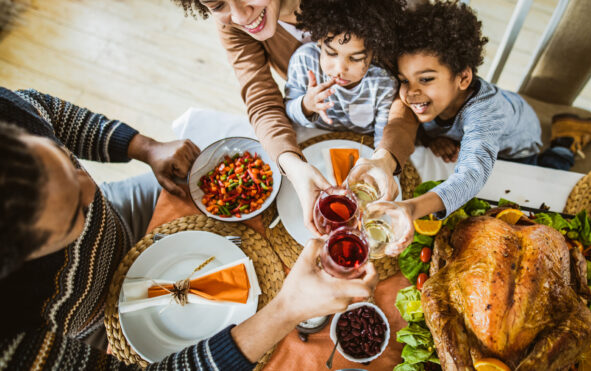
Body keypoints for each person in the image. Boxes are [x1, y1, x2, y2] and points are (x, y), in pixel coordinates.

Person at [0, 88, 378, 369]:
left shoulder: (9, 117)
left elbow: (42, 110)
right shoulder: (11, 345)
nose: (90, 187)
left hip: (119, 217)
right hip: (96, 319)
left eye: (67, 165)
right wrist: (286, 310)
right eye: (72, 213)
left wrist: (143, 147)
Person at [171, 0, 418, 235]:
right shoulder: (235, 23)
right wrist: (293, 166)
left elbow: (406, 87)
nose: (240, 16)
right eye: (217, 5)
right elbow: (261, 100)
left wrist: (385, 159)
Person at [393, 2, 591, 220]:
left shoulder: (485, 113)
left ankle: (566, 141)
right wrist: (432, 141)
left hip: (518, 146)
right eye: (404, 80)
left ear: (463, 78)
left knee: (540, 184)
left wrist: (412, 208)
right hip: (478, 134)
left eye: (426, 79)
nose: (411, 92)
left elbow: (472, 176)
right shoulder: (429, 100)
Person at [283, 0, 399, 146]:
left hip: (361, 144)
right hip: (314, 139)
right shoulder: (304, 61)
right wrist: (306, 105)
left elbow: (383, 137)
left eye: (355, 58)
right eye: (331, 53)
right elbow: (288, 111)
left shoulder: (382, 81)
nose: (340, 69)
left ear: (374, 53)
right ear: (319, 40)